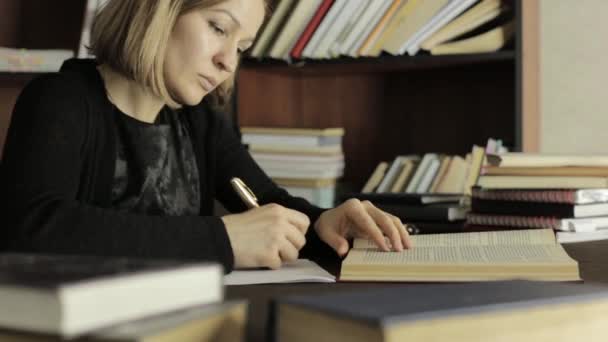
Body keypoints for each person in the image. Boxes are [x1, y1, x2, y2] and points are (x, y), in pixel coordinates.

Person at [0, 0, 412, 272]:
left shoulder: (201, 123)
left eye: (241, 46)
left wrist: (324, 223)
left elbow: (264, 202)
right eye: (218, 28)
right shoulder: (60, 100)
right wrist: (222, 238)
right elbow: (32, 226)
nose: (227, 62)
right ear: (158, 11)